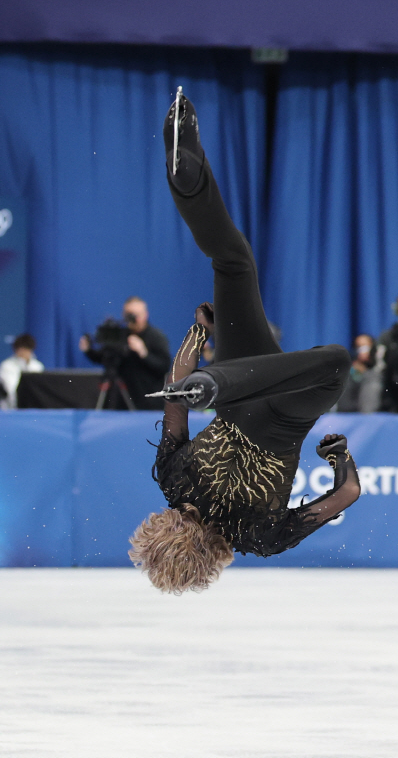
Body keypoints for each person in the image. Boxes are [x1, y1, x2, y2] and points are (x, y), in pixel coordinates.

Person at [129, 93, 359, 595]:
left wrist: (340, 455)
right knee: (232, 261)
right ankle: (186, 175)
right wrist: (200, 335)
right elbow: (173, 395)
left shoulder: (261, 538)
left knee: (336, 362)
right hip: (236, 382)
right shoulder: (172, 481)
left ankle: (213, 384)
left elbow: (348, 494)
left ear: (207, 566)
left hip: (289, 407)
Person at [79, 296, 170, 410]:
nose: (132, 319)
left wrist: (143, 353)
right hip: (122, 400)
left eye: (136, 315)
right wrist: (88, 350)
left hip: (149, 402)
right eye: (129, 315)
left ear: (145, 315)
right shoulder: (122, 334)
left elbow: (164, 366)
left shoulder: (156, 337)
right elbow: (105, 358)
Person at [335, 333, 381, 413]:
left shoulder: (381, 372)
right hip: (352, 417)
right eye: (360, 347)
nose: (363, 351)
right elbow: (344, 405)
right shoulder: (347, 374)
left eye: (366, 347)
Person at [0, 333, 45, 409]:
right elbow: (11, 389)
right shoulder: (7, 366)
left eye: (26, 349)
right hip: (10, 408)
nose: (23, 352)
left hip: (34, 408)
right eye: (20, 349)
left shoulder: (37, 366)